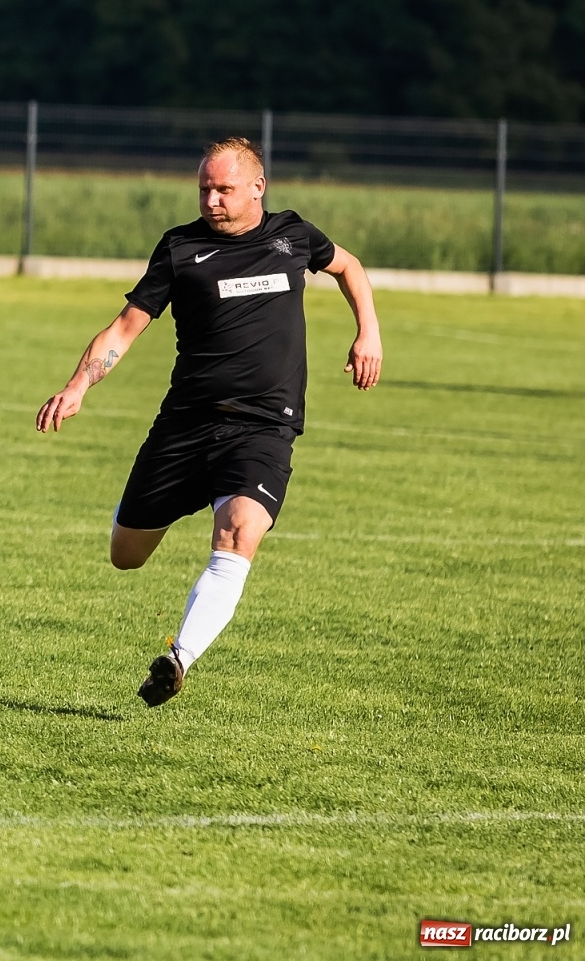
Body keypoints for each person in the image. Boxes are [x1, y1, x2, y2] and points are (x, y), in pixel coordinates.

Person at [35, 136, 382, 707]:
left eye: (223, 189)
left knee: (240, 531)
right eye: (204, 189)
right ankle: (177, 500)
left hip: (264, 426)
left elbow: (348, 266)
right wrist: (79, 385)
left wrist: (367, 330)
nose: (212, 200)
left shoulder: (293, 234)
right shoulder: (179, 249)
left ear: (257, 187)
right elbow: (125, 327)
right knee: (126, 554)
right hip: (186, 426)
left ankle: (178, 659)